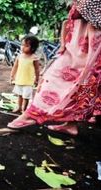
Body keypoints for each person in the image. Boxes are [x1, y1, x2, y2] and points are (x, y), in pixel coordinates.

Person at [7, 0, 101, 136]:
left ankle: (31, 115)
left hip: (90, 40)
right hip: (79, 39)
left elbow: (85, 13)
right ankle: (70, 123)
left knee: (75, 80)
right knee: (73, 79)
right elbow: (70, 19)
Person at [10, 35, 40, 113]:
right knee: (20, 95)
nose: (22, 47)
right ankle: (19, 107)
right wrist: (12, 76)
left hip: (28, 82)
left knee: (26, 96)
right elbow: (15, 67)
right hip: (19, 79)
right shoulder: (19, 56)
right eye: (22, 45)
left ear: (33, 48)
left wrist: (37, 79)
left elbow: (37, 69)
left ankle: (24, 109)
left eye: (26, 46)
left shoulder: (34, 58)